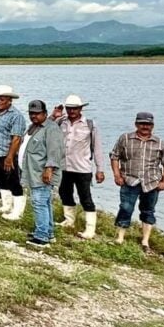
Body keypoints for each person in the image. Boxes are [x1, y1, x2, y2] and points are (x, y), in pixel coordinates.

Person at [110, 112, 164, 253]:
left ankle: (145, 241)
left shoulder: (160, 143)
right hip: (129, 180)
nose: (145, 127)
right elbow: (114, 156)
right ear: (136, 124)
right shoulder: (125, 138)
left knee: (148, 211)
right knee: (125, 208)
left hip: (151, 183)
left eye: (148, 124)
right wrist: (116, 175)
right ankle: (120, 238)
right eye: (142, 124)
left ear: (152, 125)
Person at [51, 94, 106, 240]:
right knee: (64, 193)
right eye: (69, 108)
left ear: (80, 108)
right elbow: (46, 129)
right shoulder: (60, 122)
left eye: (74, 108)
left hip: (82, 168)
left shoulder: (90, 124)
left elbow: (97, 147)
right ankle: (69, 220)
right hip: (63, 166)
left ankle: (90, 229)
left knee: (85, 197)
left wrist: (100, 169)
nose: (71, 111)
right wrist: (54, 116)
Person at [21, 100, 64, 247]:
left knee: (39, 203)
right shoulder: (33, 127)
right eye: (31, 113)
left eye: (37, 113)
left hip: (42, 173)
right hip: (33, 171)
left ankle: (41, 236)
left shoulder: (51, 129)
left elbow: (55, 151)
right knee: (44, 203)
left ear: (44, 114)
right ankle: (48, 232)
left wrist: (49, 169)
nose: (34, 116)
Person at [0, 85, 27, 220]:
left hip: (6, 154)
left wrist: (10, 157)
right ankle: (6, 205)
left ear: (9, 101)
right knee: (1, 180)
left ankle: (18, 211)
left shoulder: (16, 116)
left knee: (14, 181)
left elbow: (16, 138)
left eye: (2, 99)